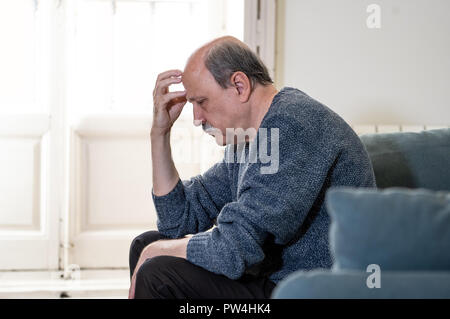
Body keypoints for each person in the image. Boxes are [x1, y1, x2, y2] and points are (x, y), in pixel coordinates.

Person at [128, 36, 376, 299]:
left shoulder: (292, 124)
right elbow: (177, 221)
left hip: (306, 289)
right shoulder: (246, 139)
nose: (197, 118)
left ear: (239, 85)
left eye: (202, 102)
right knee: (146, 244)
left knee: (157, 270)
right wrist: (160, 133)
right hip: (272, 278)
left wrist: (155, 252)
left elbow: (235, 249)